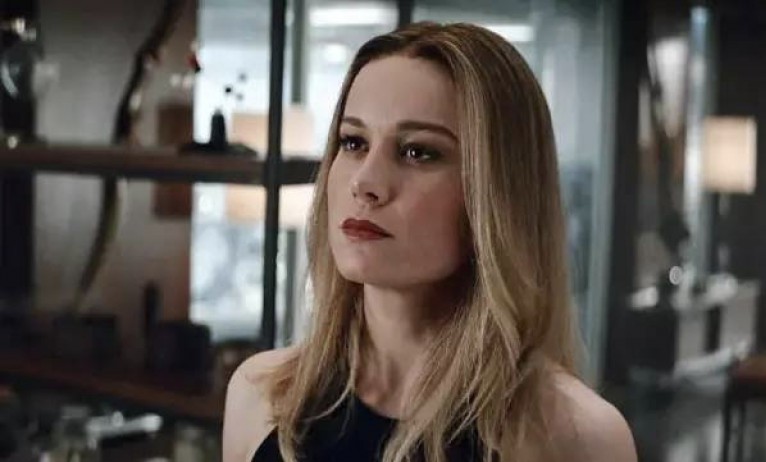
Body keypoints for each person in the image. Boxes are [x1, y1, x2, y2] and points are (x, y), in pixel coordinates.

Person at [223, 22, 637, 462]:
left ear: (496, 191)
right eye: (353, 142)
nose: (365, 182)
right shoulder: (261, 396)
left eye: (417, 152)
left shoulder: (578, 436)